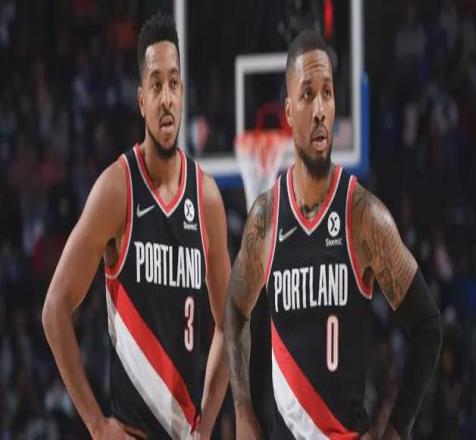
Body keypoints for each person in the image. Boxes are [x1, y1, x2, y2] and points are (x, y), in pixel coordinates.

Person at [224, 30, 442, 440]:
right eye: (308, 95)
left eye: (327, 93)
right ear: (289, 112)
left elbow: (428, 327)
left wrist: (396, 431)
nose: (320, 109)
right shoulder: (266, 219)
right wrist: (242, 409)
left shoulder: (364, 216)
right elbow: (235, 311)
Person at [42, 13, 230, 439]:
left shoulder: (207, 199)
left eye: (174, 83)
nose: (166, 97)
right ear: (142, 99)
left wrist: (206, 426)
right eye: (156, 85)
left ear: (182, 94)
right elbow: (54, 308)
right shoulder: (117, 189)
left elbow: (229, 325)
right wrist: (96, 424)